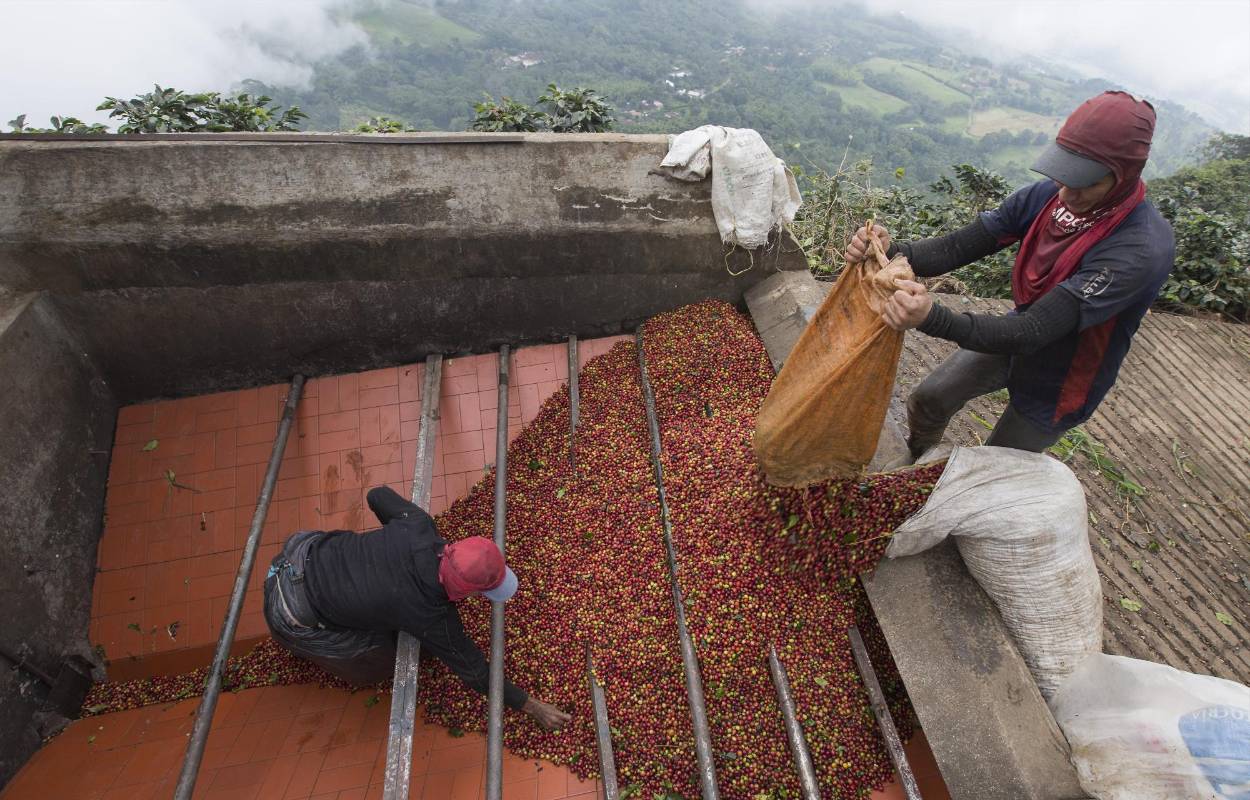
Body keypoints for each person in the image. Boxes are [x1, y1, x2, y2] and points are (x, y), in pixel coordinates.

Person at [846, 91, 1175, 459]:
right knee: (929, 400)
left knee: (996, 463)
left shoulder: (1139, 248)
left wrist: (931, 317)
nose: (1066, 193)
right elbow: (958, 248)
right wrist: (890, 253)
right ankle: (919, 464)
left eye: (1086, 183)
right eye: (1063, 175)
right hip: (1016, 335)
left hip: (1064, 374)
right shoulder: (1047, 198)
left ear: (1125, 175)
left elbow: (1035, 330)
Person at [262, 485, 571, 732]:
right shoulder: (431, 615)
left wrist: (388, 549)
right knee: (380, 659)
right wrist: (533, 706)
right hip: (289, 610)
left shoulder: (419, 526)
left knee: (379, 603)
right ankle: (308, 648)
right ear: (466, 591)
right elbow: (476, 672)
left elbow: (377, 495)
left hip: (300, 552)